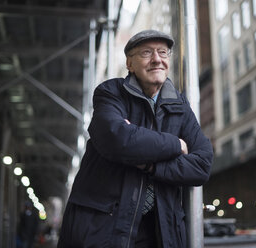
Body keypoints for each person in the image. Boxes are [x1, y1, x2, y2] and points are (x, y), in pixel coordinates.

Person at [57, 30, 213, 248]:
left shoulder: (180, 106)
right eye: (147, 53)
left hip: (161, 232)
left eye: (163, 52)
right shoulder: (111, 92)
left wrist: (149, 163)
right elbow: (117, 139)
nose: (157, 59)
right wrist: (176, 144)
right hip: (104, 229)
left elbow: (202, 165)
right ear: (129, 63)